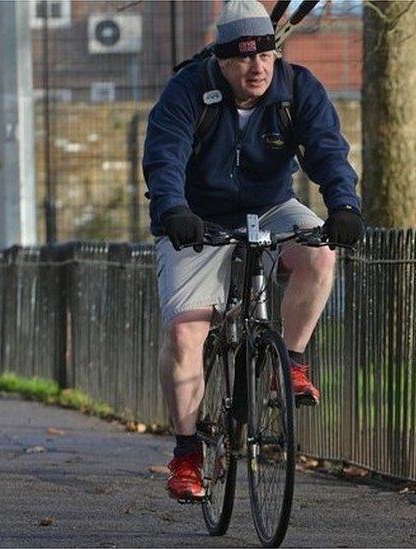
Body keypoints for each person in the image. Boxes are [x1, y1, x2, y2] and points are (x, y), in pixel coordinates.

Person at [142, 0, 362, 501]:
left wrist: (344, 205)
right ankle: (186, 455)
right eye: (243, 58)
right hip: (197, 218)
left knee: (320, 254)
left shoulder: (298, 87)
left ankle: (291, 362)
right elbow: (165, 155)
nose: (257, 67)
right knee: (184, 331)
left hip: (271, 206)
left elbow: (327, 149)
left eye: (265, 54)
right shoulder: (187, 90)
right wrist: (174, 210)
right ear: (221, 59)